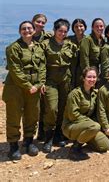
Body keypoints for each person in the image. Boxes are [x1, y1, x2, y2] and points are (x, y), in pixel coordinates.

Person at [3, 21, 45, 160]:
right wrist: (29, 86)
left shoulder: (39, 47)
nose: (27, 30)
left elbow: (42, 68)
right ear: (20, 31)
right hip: (15, 88)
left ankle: (28, 142)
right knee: (14, 116)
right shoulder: (13, 48)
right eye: (23, 28)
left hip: (34, 88)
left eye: (29, 28)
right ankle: (14, 145)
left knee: (32, 115)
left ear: (34, 30)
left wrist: (39, 84)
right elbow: (16, 71)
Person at [41, 18, 78, 153]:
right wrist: (41, 81)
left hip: (65, 79)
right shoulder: (45, 44)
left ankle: (58, 134)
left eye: (64, 31)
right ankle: (48, 138)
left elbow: (75, 62)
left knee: (63, 108)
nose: (62, 33)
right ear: (55, 30)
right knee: (51, 108)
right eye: (60, 30)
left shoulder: (70, 45)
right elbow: (41, 65)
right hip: (50, 79)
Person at [62, 67, 109, 160]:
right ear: (83, 78)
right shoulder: (75, 94)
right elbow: (73, 115)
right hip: (71, 126)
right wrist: (90, 123)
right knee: (95, 127)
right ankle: (75, 149)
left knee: (105, 145)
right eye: (89, 77)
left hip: (87, 126)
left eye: (94, 77)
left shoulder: (95, 93)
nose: (92, 79)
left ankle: (85, 138)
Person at [31, 13, 52, 141]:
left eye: (43, 22)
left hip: (46, 74)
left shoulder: (48, 37)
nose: (40, 24)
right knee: (34, 107)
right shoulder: (28, 36)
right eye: (38, 21)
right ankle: (29, 136)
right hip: (32, 75)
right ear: (33, 21)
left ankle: (42, 133)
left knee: (45, 106)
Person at [80, 18, 105, 85]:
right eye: (96, 26)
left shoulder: (103, 40)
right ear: (92, 28)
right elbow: (84, 58)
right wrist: (88, 75)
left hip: (98, 72)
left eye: (101, 26)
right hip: (89, 73)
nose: (99, 28)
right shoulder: (87, 40)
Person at [69, 18, 87, 88]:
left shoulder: (89, 40)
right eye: (76, 26)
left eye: (81, 26)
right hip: (71, 72)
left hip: (84, 72)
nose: (79, 28)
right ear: (73, 28)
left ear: (85, 27)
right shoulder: (68, 40)